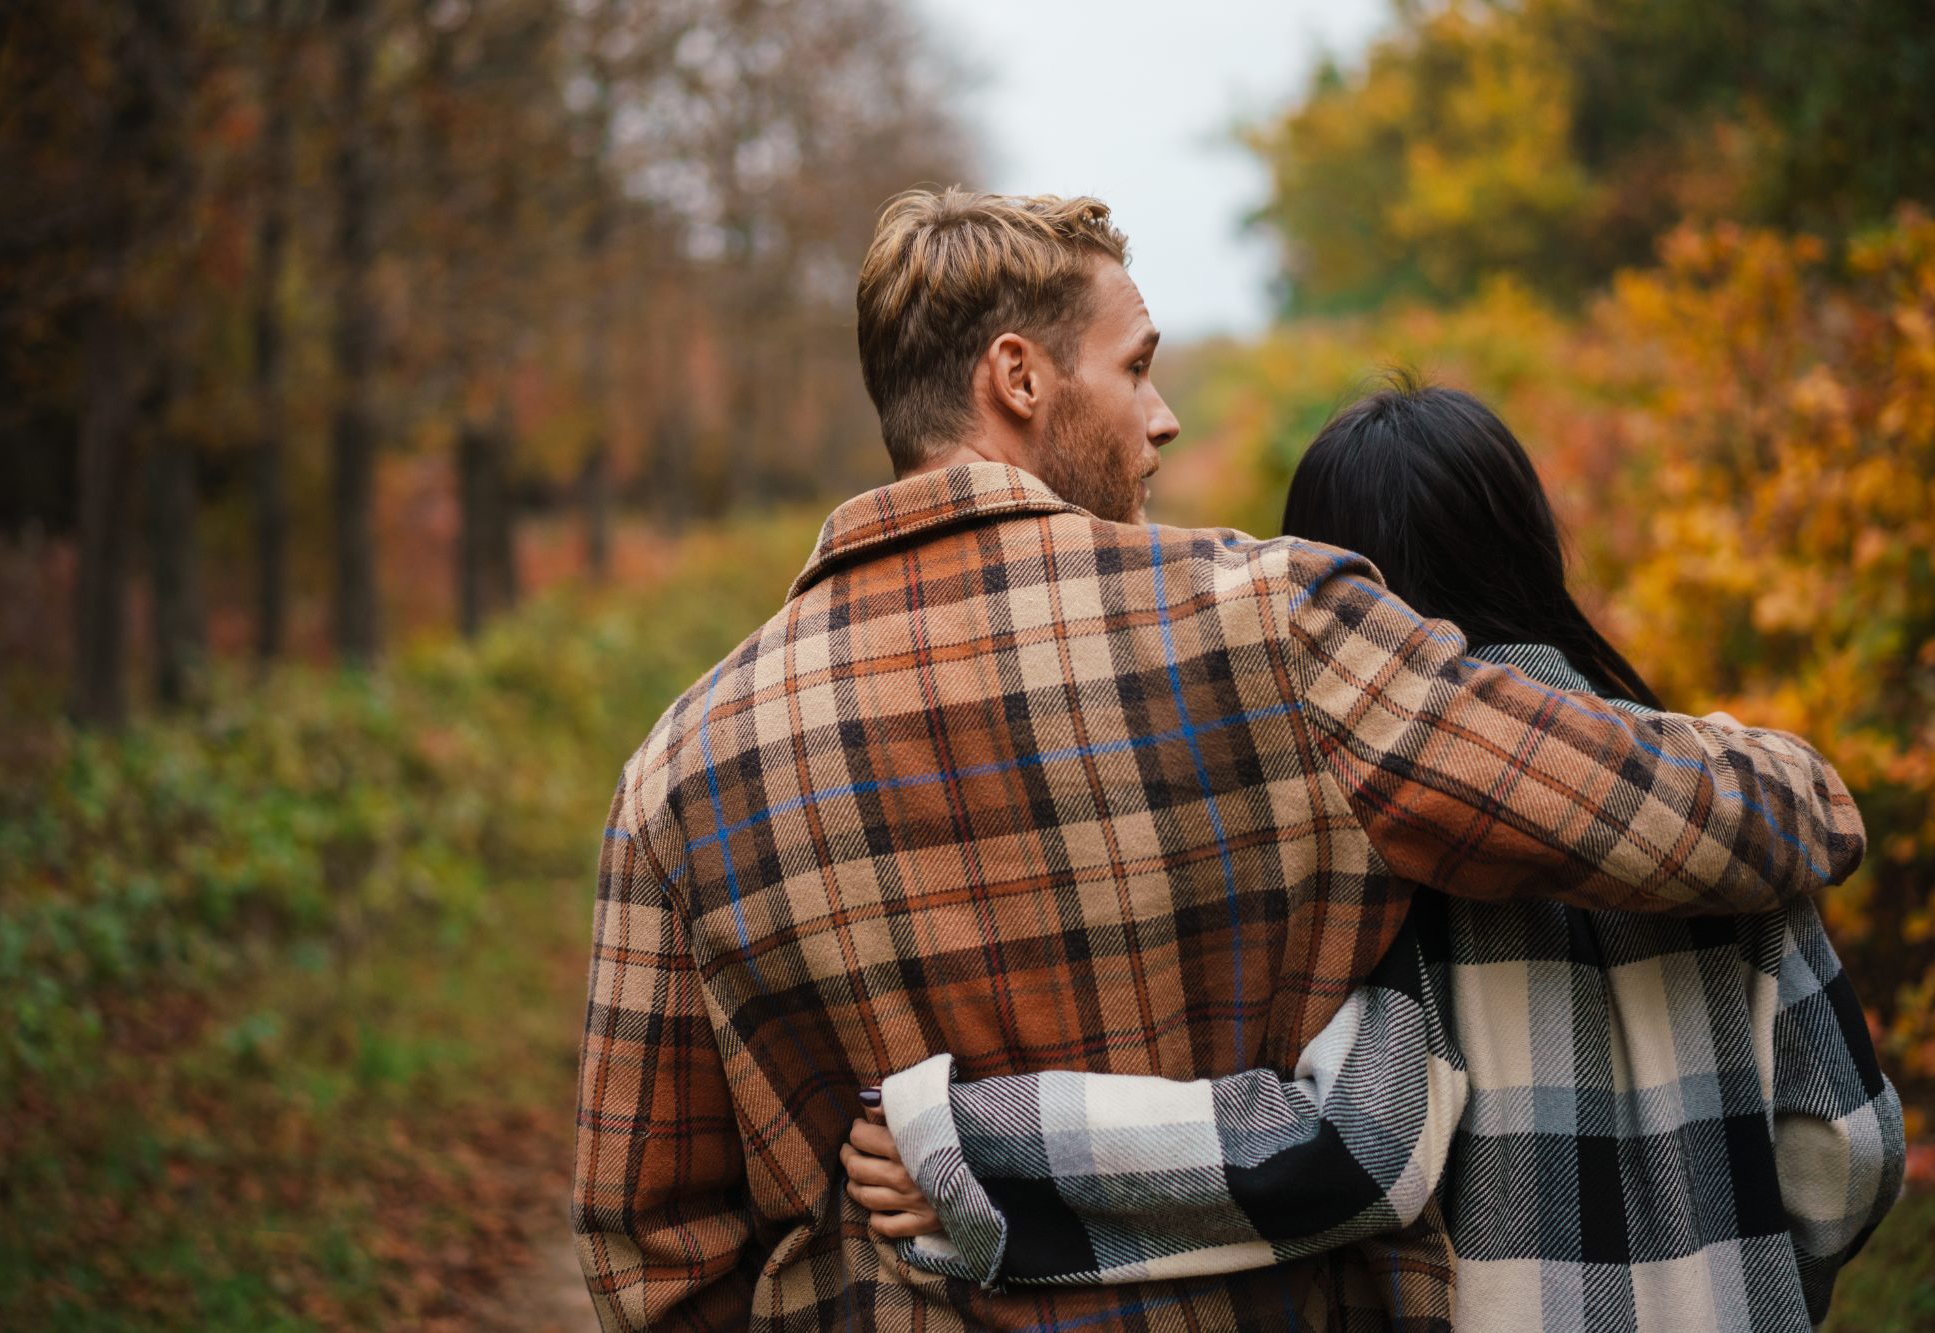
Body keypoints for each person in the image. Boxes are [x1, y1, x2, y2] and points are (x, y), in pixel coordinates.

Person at [569, 190, 1868, 1333]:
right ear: (1019, 378)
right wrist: (1807, 787)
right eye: (1135, 367)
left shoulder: (673, 772)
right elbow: (1629, 808)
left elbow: (650, 1243)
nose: (1166, 415)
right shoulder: (1271, 626)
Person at [842, 381, 1905, 1331]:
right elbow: (1844, 1151)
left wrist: (968, 1144)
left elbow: (1351, 1149)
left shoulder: (1384, 843)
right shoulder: (1720, 806)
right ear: (1527, 543)